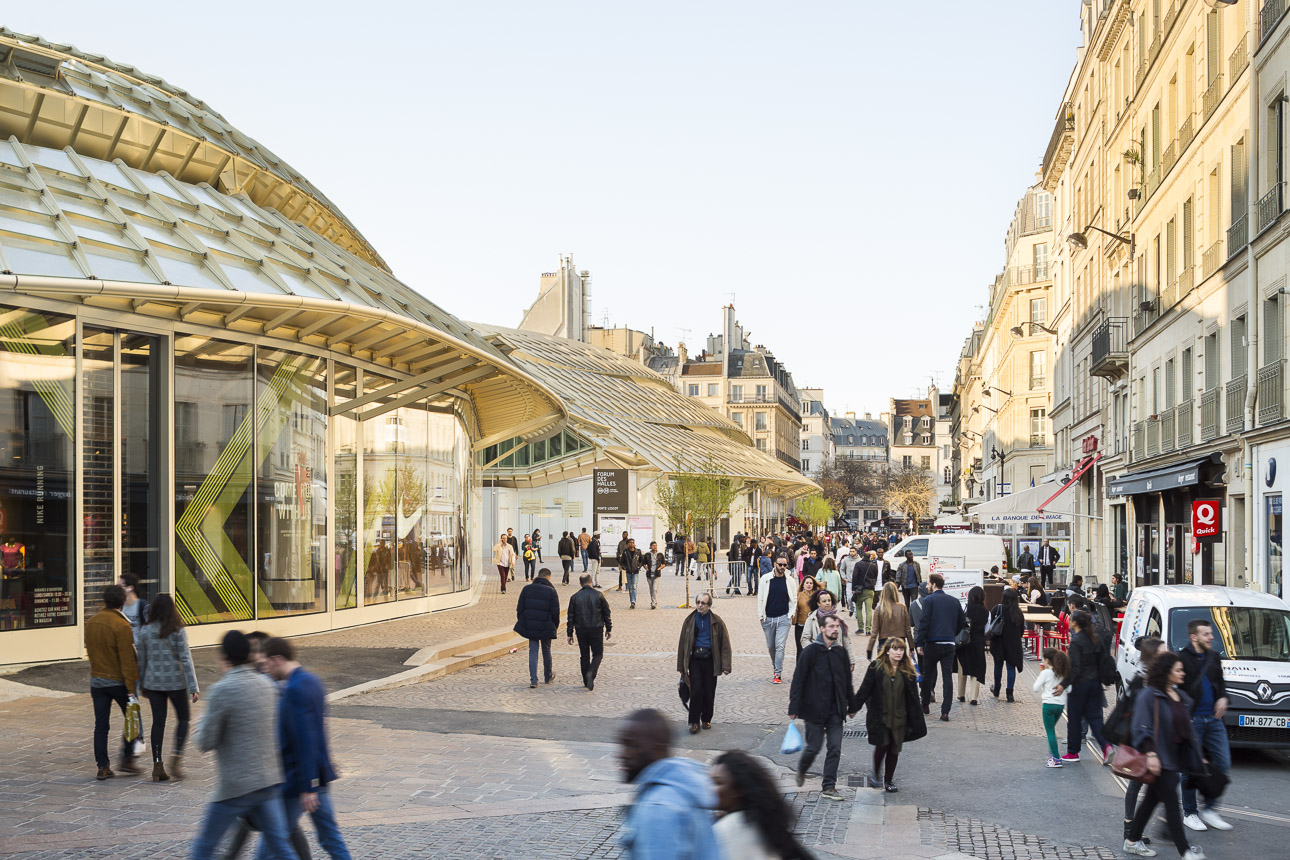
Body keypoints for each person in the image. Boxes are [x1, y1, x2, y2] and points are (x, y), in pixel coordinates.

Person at [191, 631, 298, 860]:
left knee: (204, 847)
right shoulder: (267, 685)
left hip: (236, 787)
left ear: (225, 658)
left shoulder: (222, 690)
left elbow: (205, 742)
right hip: (269, 782)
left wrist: (199, 725)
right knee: (280, 846)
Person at [262, 637, 353, 860]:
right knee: (329, 837)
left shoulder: (294, 689)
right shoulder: (313, 681)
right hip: (318, 774)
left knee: (273, 841)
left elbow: (305, 737)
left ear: (277, 659)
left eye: (267, 663)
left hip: (298, 780)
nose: (266, 669)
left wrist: (308, 785)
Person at [1122, 652, 1208, 860]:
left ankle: (1131, 841)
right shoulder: (1149, 695)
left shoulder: (1180, 697)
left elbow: (1185, 730)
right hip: (1158, 759)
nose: (1182, 673)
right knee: (1172, 803)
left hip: (1173, 758)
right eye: (1178, 670)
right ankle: (1185, 850)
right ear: (1167, 672)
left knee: (1151, 801)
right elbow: (1141, 727)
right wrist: (1151, 753)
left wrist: (1198, 755)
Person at [616, 709, 719, 859]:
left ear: (657, 749)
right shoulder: (685, 789)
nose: (622, 754)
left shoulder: (659, 808)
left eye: (632, 745)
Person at [1105, 637, 1164, 846]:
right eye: (1162, 652)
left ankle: (1135, 829)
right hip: (1141, 740)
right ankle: (1131, 829)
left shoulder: (1154, 677)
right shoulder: (1143, 679)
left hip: (1152, 740)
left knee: (1151, 785)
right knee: (1137, 782)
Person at [788, 614, 852, 801]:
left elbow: (847, 682)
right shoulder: (810, 652)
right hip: (814, 710)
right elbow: (798, 680)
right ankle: (802, 769)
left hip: (835, 711)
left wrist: (852, 704)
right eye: (831, 626)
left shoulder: (841, 653)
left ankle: (829, 787)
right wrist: (794, 706)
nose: (835, 629)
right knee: (813, 747)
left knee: (835, 748)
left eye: (837, 626)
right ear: (822, 629)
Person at [849, 636, 926, 792]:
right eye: (895, 649)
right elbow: (865, 689)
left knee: (894, 749)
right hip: (880, 716)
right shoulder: (876, 668)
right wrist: (853, 708)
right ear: (888, 651)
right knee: (882, 745)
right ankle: (876, 774)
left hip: (900, 717)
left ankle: (888, 781)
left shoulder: (907, 671)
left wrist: (918, 719)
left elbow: (913, 697)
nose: (898, 652)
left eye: (901, 649)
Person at [136, 592, 199, 781]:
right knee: (184, 719)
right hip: (176, 683)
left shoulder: (145, 631)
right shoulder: (178, 630)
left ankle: (157, 764)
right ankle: (177, 755)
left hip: (154, 684)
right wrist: (193, 686)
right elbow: (186, 659)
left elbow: (142, 662)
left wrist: (143, 685)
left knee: (158, 722)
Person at [1179, 619, 1234, 833]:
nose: (1211, 637)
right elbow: (1177, 692)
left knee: (1223, 762)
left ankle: (1210, 809)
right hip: (1192, 721)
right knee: (1189, 769)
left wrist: (1223, 698)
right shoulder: (1182, 659)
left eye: (1211, 633)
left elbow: (1220, 685)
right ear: (1194, 637)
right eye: (1206, 634)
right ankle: (1190, 813)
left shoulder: (1214, 657)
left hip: (1214, 720)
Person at [711, 749, 814, 860]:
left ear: (738, 790)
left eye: (717, 782)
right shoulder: (763, 820)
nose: (709, 787)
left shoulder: (728, 830)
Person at [86, 584, 142, 780]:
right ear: (122, 602)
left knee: (101, 725)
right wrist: (130, 689)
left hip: (97, 681)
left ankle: (103, 766)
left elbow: (91, 652)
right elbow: (127, 661)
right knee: (132, 720)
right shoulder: (122, 625)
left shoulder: (91, 622)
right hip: (118, 682)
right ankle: (127, 758)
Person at [1061, 610, 1112, 763]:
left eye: (1071, 619)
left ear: (1075, 622)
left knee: (1075, 719)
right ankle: (1106, 747)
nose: (1069, 621)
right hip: (1095, 684)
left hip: (1079, 686)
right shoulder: (1095, 638)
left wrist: (1063, 685)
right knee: (1095, 719)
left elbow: (1075, 668)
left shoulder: (1076, 641)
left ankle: (1072, 752)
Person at [676, 593, 731, 733]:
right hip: (694, 660)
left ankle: (706, 718)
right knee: (696, 690)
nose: (700, 605)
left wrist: (726, 666)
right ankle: (694, 722)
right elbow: (682, 644)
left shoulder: (717, 622)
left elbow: (725, 644)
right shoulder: (689, 621)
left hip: (711, 660)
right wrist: (681, 667)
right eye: (698, 602)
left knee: (709, 691)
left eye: (703, 603)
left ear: (709, 605)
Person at [914, 572, 966, 722]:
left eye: (929, 583)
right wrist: (951, 633)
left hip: (932, 643)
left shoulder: (929, 600)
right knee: (947, 677)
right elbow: (962, 623)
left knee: (927, 675)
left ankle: (925, 704)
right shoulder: (954, 601)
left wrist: (919, 643)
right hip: (949, 644)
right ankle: (945, 711)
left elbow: (924, 623)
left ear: (934, 584)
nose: (928, 586)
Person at [514, 567, 560, 688]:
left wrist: (524, 621)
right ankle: (547, 676)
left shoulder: (527, 589)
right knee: (546, 650)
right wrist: (555, 625)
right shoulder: (551, 591)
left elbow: (519, 609)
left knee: (533, 651)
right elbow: (556, 612)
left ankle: (533, 679)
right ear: (548, 577)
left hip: (531, 625)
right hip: (546, 626)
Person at [757, 555, 799, 684]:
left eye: (785, 565)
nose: (782, 567)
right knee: (771, 646)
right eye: (780, 565)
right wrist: (761, 616)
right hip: (768, 618)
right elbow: (760, 598)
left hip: (783, 618)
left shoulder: (790, 580)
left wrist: (791, 614)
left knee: (780, 646)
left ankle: (777, 673)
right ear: (775, 564)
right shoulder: (765, 579)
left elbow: (794, 599)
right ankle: (775, 665)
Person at [567, 574, 612, 691]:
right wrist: (608, 628)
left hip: (581, 629)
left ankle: (586, 681)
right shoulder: (598, 595)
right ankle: (591, 673)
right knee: (598, 654)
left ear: (580, 583)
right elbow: (606, 613)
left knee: (584, 655)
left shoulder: (575, 597)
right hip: (596, 629)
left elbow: (570, 617)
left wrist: (569, 633)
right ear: (591, 581)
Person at [799, 589, 855, 669]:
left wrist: (851, 660)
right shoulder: (812, 619)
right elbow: (804, 639)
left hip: (836, 658)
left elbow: (845, 640)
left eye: (829, 600)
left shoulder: (838, 619)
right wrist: (814, 651)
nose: (828, 603)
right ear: (818, 603)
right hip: (817, 660)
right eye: (824, 601)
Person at [1033, 648, 1070, 768]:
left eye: (1043, 658)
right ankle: (1052, 755)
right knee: (1051, 730)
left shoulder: (1046, 673)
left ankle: (1055, 758)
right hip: (1060, 705)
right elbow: (1069, 689)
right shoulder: (1063, 674)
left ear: (1047, 660)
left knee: (1050, 732)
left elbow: (1035, 688)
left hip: (1048, 705)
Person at [988, 588, 1025, 703]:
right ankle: (1010, 694)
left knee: (998, 666)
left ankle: (997, 689)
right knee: (1011, 667)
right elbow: (1021, 631)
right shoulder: (1018, 612)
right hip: (1013, 644)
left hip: (998, 642)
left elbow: (990, 624)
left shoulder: (997, 608)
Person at [956, 585, 988, 707]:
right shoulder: (986, 612)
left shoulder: (964, 607)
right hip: (978, 642)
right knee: (976, 669)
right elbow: (987, 629)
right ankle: (973, 697)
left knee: (962, 668)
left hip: (964, 642)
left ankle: (961, 694)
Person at [868, 581, 913, 661]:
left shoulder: (879, 609)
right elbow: (908, 630)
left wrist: (869, 650)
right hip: (900, 643)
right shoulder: (902, 607)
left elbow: (874, 632)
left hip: (884, 643)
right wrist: (911, 647)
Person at [791, 575, 820, 659]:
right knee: (800, 649)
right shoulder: (798, 595)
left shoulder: (816, 596)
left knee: (812, 649)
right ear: (803, 584)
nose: (809, 585)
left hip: (813, 626)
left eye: (811, 583)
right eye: (807, 583)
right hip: (801, 625)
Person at [852, 551, 879, 633]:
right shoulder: (874, 565)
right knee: (869, 610)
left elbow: (854, 576)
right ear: (870, 557)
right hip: (870, 590)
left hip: (859, 590)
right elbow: (875, 576)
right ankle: (868, 629)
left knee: (859, 608)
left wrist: (853, 588)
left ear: (862, 556)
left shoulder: (858, 564)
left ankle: (860, 627)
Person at [118, 572, 147, 645]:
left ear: (130, 588)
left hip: (139, 649)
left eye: (120, 586)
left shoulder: (142, 606)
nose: (117, 589)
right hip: (125, 648)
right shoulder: (119, 606)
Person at [620, 537, 644, 609]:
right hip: (628, 571)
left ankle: (633, 601)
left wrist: (638, 567)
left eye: (633, 543)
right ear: (627, 544)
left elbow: (641, 561)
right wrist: (625, 567)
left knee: (634, 586)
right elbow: (622, 562)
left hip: (636, 571)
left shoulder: (638, 551)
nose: (632, 544)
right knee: (630, 587)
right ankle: (631, 601)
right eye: (630, 543)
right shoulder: (625, 552)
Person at [838, 545, 860, 615]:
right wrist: (844, 578)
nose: (852, 553)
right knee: (849, 598)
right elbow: (841, 569)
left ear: (856, 552)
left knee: (856, 598)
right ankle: (851, 608)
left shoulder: (859, 560)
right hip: (849, 582)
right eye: (850, 551)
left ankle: (856, 613)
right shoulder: (846, 560)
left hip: (857, 582)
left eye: (853, 551)